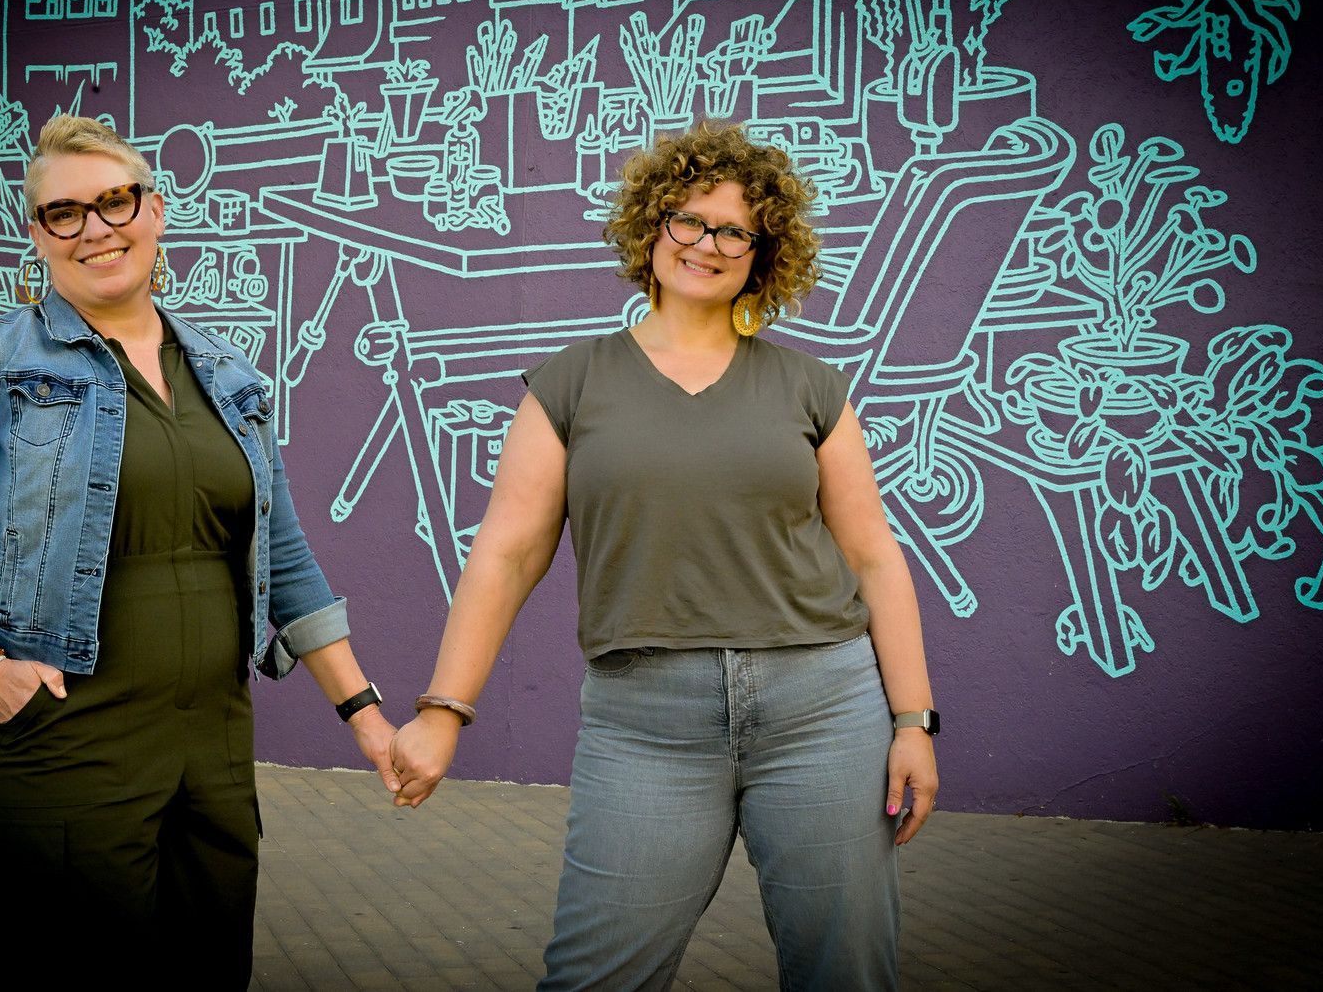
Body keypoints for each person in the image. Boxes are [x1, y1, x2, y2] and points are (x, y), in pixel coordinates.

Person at [389, 121, 940, 990]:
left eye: (734, 231)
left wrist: (913, 722)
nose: (707, 243)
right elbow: (506, 553)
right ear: (652, 228)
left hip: (824, 710)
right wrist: (442, 710)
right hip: (646, 720)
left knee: (846, 975)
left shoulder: (811, 387)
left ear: (761, 255)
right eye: (688, 219)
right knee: (594, 977)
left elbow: (874, 556)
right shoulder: (570, 383)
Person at [0, 114, 400, 989]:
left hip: (212, 748)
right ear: (35, 235)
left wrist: (366, 716)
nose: (95, 228)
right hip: (58, 741)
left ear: (155, 210)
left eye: (115, 201)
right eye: (64, 213)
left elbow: (287, 561)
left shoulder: (230, 376)